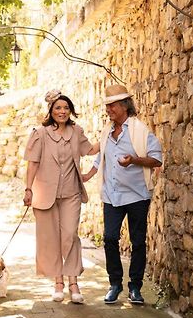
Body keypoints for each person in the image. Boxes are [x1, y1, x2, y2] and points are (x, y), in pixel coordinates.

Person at [82, 84, 162, 305]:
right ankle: (115, 284)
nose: (108, 109)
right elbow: (101, 157)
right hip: (112, 195)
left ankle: (135, 287)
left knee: (137, 242)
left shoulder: (141, 131)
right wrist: (88, 175)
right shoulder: (107, 130)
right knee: (109, 238)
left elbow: (156, 159)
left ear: (125, 105)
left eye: (112, 105)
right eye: (107, 106)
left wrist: (134, 160)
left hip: (137, 195)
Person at [23, 90, 99, 303]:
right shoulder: (40, 133)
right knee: (52, 239)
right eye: (58, 108)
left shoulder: (77, 132)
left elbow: (91, 150)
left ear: (70, 110)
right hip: (46, 193)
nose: (62, 111)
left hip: (71, 192)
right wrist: (28, 189)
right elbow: (33, 163)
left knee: (69, 235)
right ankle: (59, 282)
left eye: (66, 108)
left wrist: (108, 135)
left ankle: (74, 283)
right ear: (51, 110)